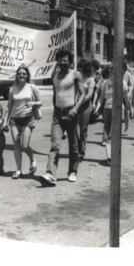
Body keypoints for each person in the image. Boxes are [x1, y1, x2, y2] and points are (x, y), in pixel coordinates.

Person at [39, 50, 86, 186]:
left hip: (71, 112)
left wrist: (75, 109)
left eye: (65, 60)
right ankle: (50, 174)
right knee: (55, 145)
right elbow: (55, 94)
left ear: (70, 62)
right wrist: (55, 109)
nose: (62, 63)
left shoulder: (75, 74)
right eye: (60, 60)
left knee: (73, 145)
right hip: (58, 114)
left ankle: (72, 171)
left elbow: (83, 94)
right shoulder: (54, 74)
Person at [4, 65, 41, 179]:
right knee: (16, 145)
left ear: (27, 75)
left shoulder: (32, 87)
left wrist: (33, 104)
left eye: (24, 73)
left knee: (25, 145)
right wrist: (5, 121)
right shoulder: (12, 89)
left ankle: (32, 159)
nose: (21, 75)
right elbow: (9, 106)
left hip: (27, 118)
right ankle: (19, 170)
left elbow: (40, 102)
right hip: (14, 119)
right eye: (19, 73)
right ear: (17, 75)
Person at [94, 66, 132, 165]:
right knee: (107, 133)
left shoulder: (122, 83)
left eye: (114, 71)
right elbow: (101, 98)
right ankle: (110, 157)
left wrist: (130, 110)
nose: (112, 73)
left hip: (118, 110)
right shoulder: (105, 83)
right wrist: (97, 108)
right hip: (107, 109)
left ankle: (114, 155)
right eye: (111, 71)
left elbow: (126, 99)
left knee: (114, 134)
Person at [76, 59, 95, 162]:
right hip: (75, 106)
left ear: (83, 68)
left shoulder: (90, 79)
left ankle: (81, 152)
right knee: (74, 129)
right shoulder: (77, 78)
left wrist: (80, 102)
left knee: (83, 130)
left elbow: (90, 94)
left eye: (79, 67)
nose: (77, 68)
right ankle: (75, 150)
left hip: (85, 106)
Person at [122, 61, 134, 136]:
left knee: (126, 113)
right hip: (118, 95)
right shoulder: (116, 73)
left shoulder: (128, 74)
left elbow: (132, 85)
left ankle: (126, 129)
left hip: (126, 95)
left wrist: (129, 93)